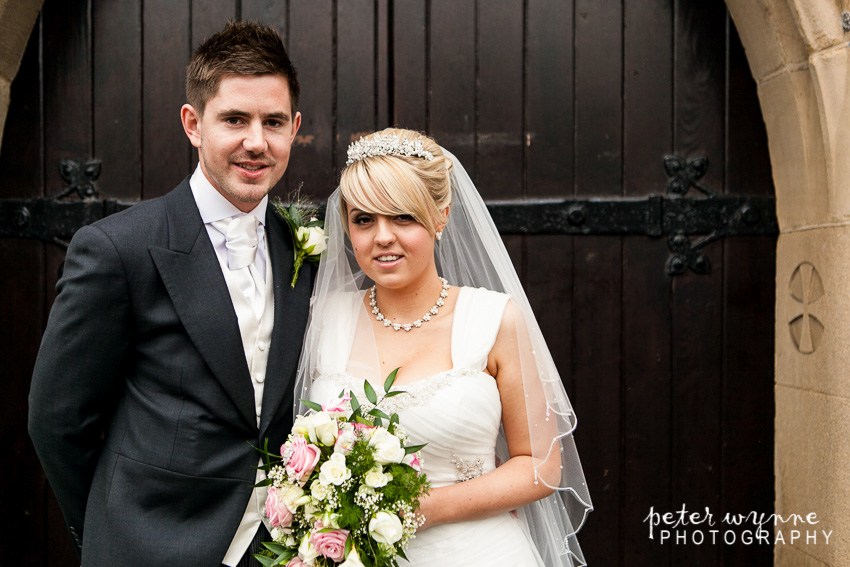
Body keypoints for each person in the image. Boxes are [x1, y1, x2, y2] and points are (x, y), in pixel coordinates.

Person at [28, 21, 313, 567]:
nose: (257, 142)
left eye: (273, 122)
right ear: (193, 124)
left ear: (294, 128)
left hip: (278, 549)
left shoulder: (306, 246)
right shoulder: (117, 249)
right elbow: (57, 419)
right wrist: (113, 531)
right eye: (234, 119)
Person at [300, 128, 592, 566]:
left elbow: (542, 464)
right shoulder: (323, 318)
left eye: (402, 217)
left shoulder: (494, 319)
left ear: (440, 217)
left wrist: (424, 509)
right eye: (364, 219)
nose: (382, 237)